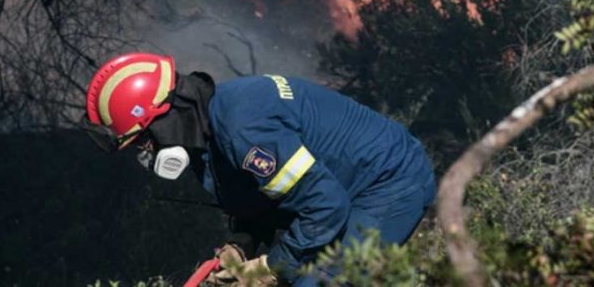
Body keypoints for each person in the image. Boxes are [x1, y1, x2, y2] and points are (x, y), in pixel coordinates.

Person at [83, 52, 436, 286]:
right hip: (346, 191)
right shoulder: (207, 136)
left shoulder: (241, 128)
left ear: (161, 121)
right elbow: (263, 200)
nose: (145, 154)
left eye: (142, 142)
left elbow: (326, 206)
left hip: (387, 184)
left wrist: (270, 269)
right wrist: (241, 246)